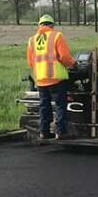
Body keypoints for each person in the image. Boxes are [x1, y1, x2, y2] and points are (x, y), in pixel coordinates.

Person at [27, 13, 77, 141]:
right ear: (52, 25)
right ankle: (61, 132)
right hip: (56, 78)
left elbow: (30, 61)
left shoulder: (32, 40)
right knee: (60, 105)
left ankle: (44, 132)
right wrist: (73, 64)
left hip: (40, 79)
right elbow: (64, 57)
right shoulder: (56, 36)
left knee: (44, 106)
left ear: (40, 25)